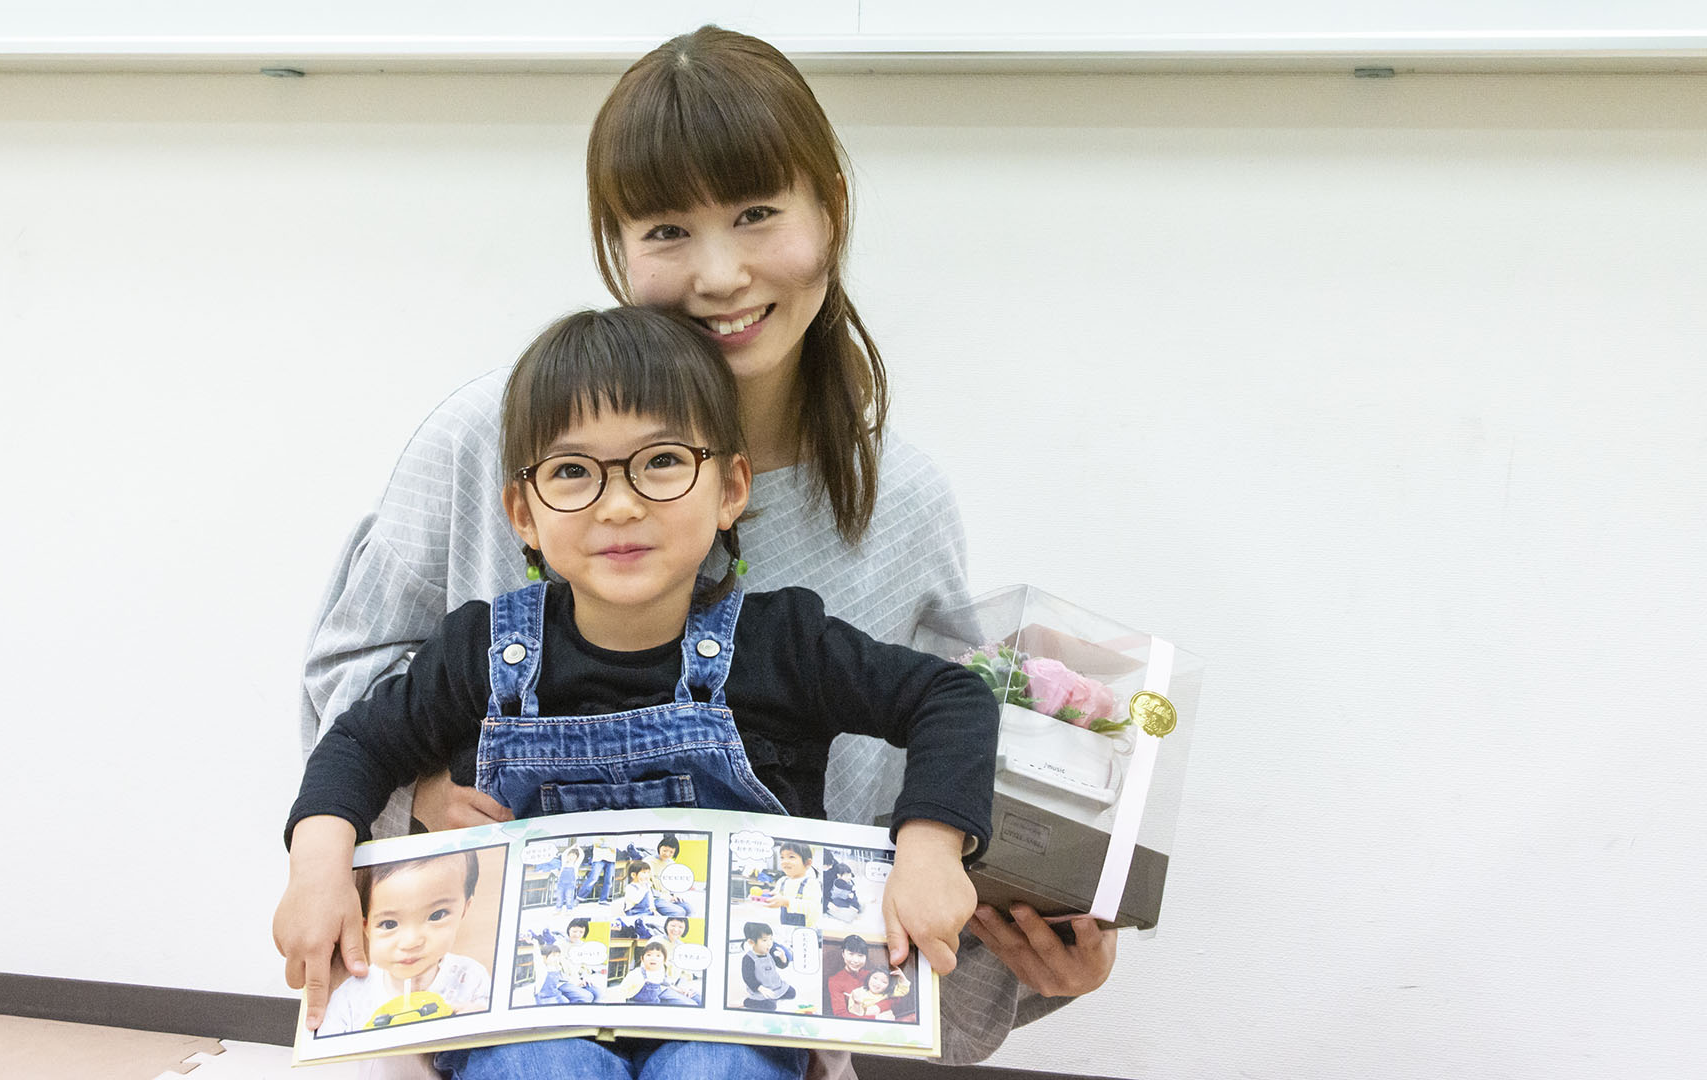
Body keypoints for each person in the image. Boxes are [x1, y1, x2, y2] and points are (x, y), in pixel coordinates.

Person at [293, 23, 1115, 1070]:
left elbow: (920, 783)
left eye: (758, 213)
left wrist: (1035, 924)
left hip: (752, 1014)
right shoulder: (490, 437)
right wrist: (419, 793)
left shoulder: (898, 501)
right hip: (513, 996)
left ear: (832, 210)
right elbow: (349, 689)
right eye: (668, 230)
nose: (720, 274)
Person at [276, 306, 996, 1079]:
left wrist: (931, 847)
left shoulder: (787, 643)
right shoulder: (483, 649)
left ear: (730, 489)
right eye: (572, 472)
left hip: (736, 1015)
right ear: (523, 513)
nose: (618, 504)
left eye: (661, 462)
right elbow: (358, 742)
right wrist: (317, 868)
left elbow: (950, 697)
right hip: (530, 1013)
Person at [320, 852, 492, 1035]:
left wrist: (481, 1020)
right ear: (366, 927)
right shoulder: (350, 999)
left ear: (464, 909)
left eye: (436, 915)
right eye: (389, 924)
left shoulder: (471, 978)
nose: (411, 942)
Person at [738, 922, 798, 1011]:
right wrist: (760, 988)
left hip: (777, 986)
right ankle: (748, 1002)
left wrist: (783, 958)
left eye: (771, 939)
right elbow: (748, 978)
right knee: (770, 1006)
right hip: (760, 990)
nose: (769, 943)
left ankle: (774, 996)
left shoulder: (770, 952)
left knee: (792, 993)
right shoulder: (748, 958)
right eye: (765, 940)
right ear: (751, 942)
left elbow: (781, 965)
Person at [765, 843, 822, 928]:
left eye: (791, 857)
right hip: (785, 928)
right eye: (782, 857)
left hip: (805, 930)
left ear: (807, 863)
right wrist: (765, 896)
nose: (785, 861)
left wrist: (787, 902)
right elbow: (777, 898)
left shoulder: (811, 883)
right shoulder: (782, 881)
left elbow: (813, 908)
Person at [532, 941, 597, 1006]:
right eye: (553, 956)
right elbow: (537, 957)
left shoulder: (556, 967)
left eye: (558, 956)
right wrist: (535, 943)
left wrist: (576, 983)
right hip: (545, 997)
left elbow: (563, 978)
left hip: (556, 994)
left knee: (567, 1002)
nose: (556, 958)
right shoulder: (542, 968)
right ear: (543, 957)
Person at [825, 935, 871, 1018]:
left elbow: (891, 999)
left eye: (860, 955)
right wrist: (874, 1018)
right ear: (843, 954)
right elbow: (841, 1014)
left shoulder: (872, 976)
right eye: (851, 954)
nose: (856, 960)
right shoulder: (835, 981)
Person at [845, 968, 910, 1020]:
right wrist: (857, 1003)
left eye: (884, 982)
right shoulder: (858, 992)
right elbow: (854, 1013)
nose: (877, 983)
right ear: (869, 978)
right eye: (875, 978)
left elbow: (902, 991)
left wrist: (902, 977)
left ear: (889, 986)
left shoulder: (886, 993)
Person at [554, 845, 582, 911]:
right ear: (567, 856)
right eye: (570, 855)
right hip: (561, 883)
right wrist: (571, 847)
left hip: (570, 884)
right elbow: (564, 853)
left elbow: (582, 855)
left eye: (574, 856)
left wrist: (578, 848)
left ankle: (569, 909)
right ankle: (558, 908)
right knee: (559, 896)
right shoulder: (564, 863)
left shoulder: (576, 865)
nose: (571, 857)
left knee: (569, 896)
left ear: (576, 858)